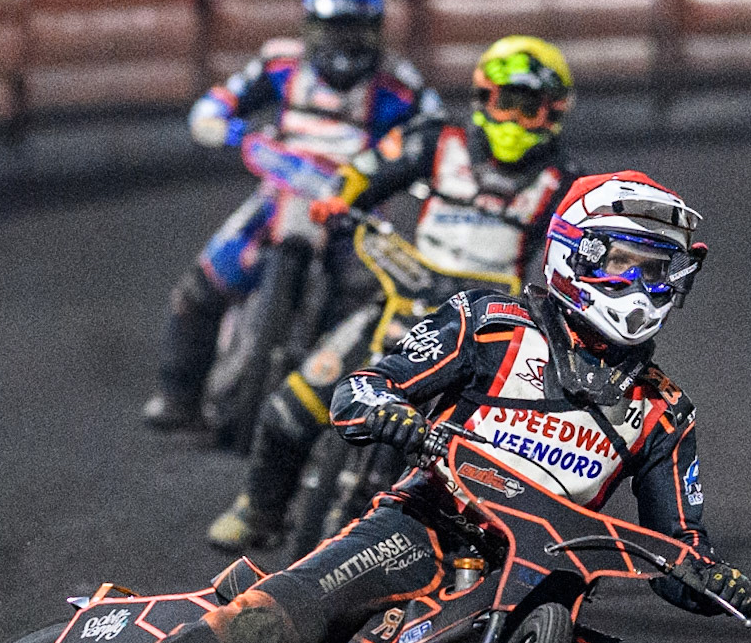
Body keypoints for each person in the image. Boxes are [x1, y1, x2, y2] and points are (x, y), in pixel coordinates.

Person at [0, 167, 751, 643]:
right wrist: (388, 412)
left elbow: (682, 550)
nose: (644, 284)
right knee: (265, 627)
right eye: (628, 261)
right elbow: (364, 386)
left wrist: (708, 575)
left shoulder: (662, 413)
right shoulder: (487, 321)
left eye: (660, 268)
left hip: (528, 604)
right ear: (575, 254)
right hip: (414, 536)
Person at [206, 35, 582, 553]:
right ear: (483, 98)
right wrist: (339, 200)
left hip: (489, 330)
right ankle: (260, 510)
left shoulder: (569, 184)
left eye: (530, 108)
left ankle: (479, 558)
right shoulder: (435, 140)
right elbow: (365, 171)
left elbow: (579, 255)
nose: (515, 120)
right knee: (292, 407)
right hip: (406, 295)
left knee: (502, 456)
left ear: (554, 113)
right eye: (507, 103)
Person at [143, 0, 441, 431]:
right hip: (280, 195)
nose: (343, 45)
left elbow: (437, 136)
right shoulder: (280, 63)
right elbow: (219, 101)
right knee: (203, 284)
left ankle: (328, 414)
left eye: (355, 32)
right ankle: (177, 393)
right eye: (332, 30)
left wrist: (420, 172)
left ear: (376, 33)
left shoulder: (401, 85)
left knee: (363, 315)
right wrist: (221, 122)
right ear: (310, 29)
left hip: (353, 211)